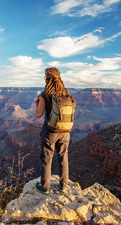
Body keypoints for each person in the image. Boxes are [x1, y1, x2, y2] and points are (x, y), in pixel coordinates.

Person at [34, 67, 71, 195]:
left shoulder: (45, 94)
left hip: (50, 132)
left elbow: (39, 114)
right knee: (63, 157)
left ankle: (44, 187)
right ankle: (64, 185)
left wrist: (36, 103)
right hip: (65, 131)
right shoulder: (65, 92)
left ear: (47, 78)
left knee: (47, 159)